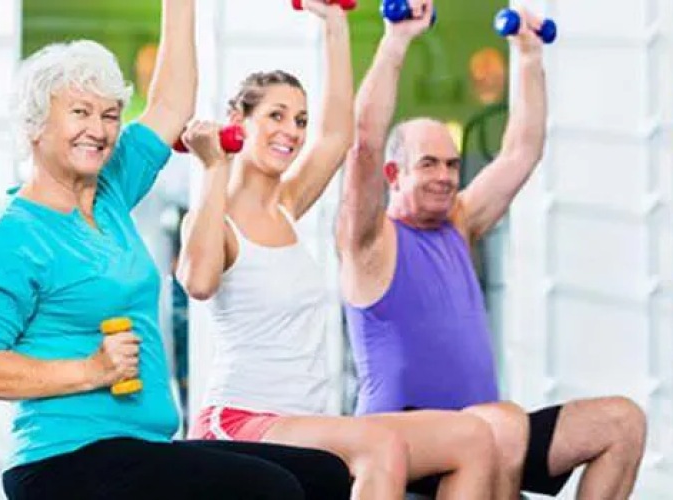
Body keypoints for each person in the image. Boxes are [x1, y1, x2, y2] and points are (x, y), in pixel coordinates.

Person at [0, 2, 352, 499]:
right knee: (270, 490)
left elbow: (170, 103)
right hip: (64, 461)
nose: (97, 129)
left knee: (324, 474)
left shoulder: (111, 192)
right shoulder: (11, 236)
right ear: (35, 126)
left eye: (110, 115)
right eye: (80, 113)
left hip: (140, 446)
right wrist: (88, 371)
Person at [178, 1, 500, 498]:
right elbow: (198, 284)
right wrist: (214, 168)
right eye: (275, 116)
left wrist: (335, 22)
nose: (291, 131)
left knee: (473, 437)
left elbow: (338, 134)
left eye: (299, 120)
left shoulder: (287, 204)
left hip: (305, 421)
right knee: (382, 449)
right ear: (237, 119)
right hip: (240, 419)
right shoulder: (214, 218)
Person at [337, 1, 647, 498]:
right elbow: (365, 144)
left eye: (452, 164)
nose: (444, 177)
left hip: (494, 434)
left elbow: (522, 150)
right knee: (495, 427)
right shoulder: (370, 240)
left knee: (621, 422)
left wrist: (526, 55)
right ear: (395, 175)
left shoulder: (459, 222)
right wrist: (396, 42)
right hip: (405, 440)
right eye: (429, 164)